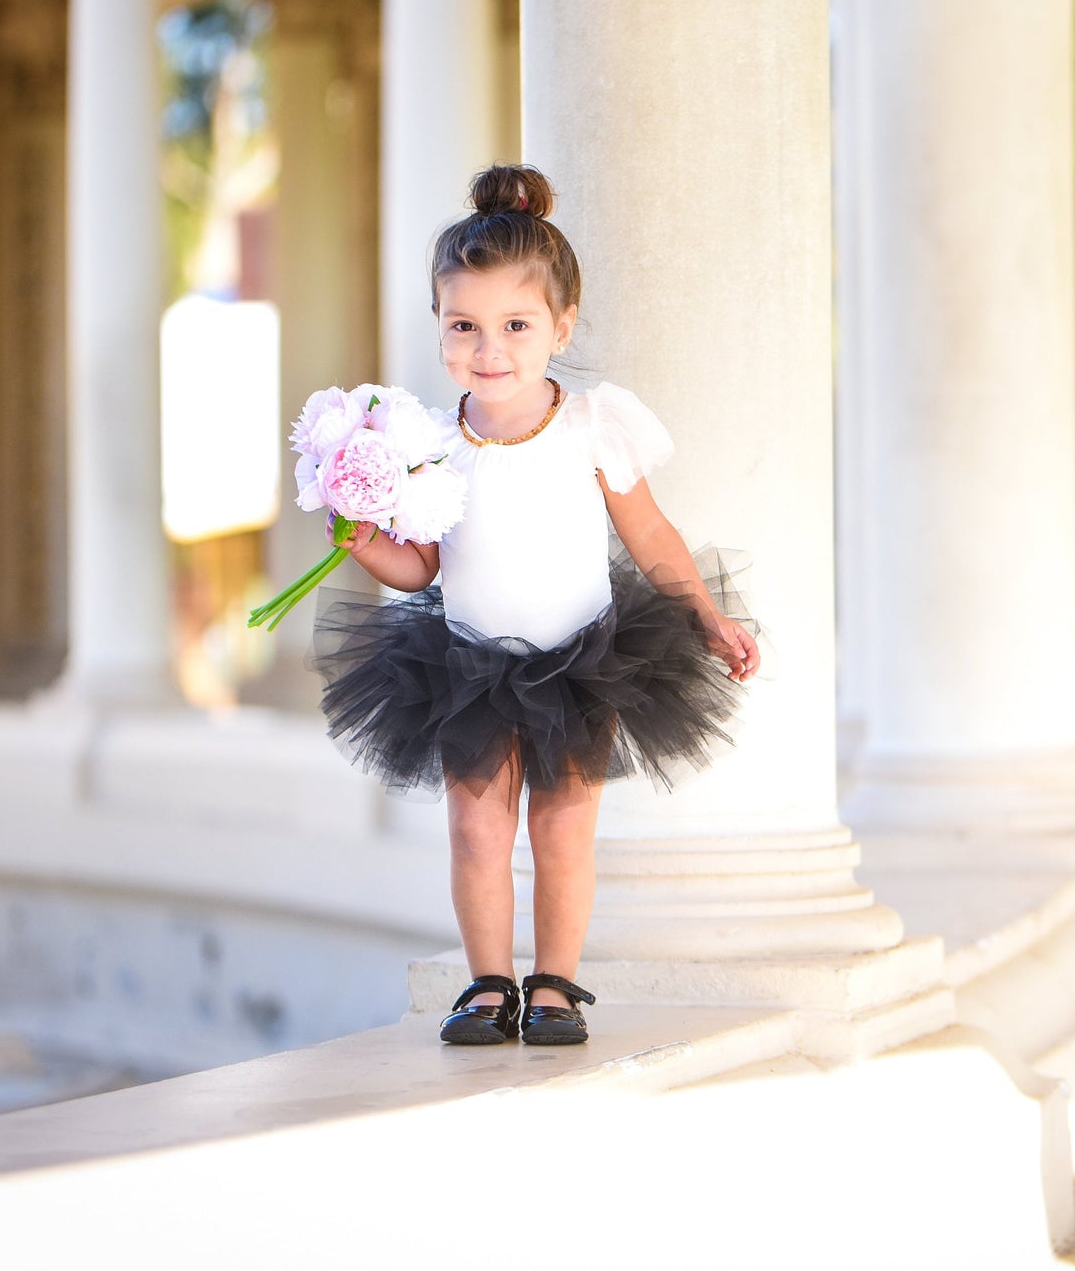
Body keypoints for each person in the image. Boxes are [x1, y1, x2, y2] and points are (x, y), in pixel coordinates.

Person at [310, 164, 759, 1047]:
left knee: (561, 832)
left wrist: (707, 614)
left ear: (561, 325)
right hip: (466, 664)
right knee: (477, 833)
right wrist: (362, 537)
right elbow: (424, 567)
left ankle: (554, 983)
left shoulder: (592, 425)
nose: (490, 349)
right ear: (438, 327)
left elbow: (653, 536)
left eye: (515, 326)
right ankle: (488, 983)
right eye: (464, 326)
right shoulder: (434, 446)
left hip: (580, 664)